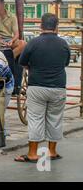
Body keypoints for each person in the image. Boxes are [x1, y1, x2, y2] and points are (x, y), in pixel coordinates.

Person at [15, 13, 70, 163]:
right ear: (56, 26)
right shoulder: (64, 43)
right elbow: (65, 63)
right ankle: (52, 151)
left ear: (41, 25)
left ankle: (33, 153)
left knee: (36, 119)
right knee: (55, 119)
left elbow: (23, 62)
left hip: (37, 86)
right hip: (58, 87)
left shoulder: (33, 42)